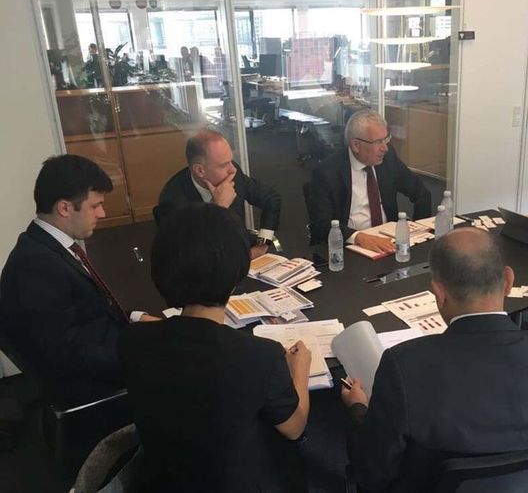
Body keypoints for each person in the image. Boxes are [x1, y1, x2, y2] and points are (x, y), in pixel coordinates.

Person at [341, 228, 528, 492]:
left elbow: (373, 473)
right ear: (508, 281)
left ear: (438, 293)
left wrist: (359, 410)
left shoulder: (404, 367)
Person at [118, 203, 312, 492]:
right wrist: (300, 370)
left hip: (159, 480)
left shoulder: (132, 340)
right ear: (236, 274)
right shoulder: (259, 355)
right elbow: (295, 427)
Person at [0, 155, 155, 402]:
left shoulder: (48, 246)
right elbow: (65, 355)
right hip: (90, 386)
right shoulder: (37, 265)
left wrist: (136, 318)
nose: (102, 213)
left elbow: (89, 312)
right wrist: (138, 355)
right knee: (190, 364)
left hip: (104, 346)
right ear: (65, 208)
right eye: (95, 206)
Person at [310, 109, 431, 252]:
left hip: (388, 241)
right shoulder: (327, 172)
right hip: (351, 246)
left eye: (386, 139)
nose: (385, 148)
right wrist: (358, 237)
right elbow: (322, 225)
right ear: (356, 145)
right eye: (378, 142)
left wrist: (419, 232)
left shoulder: (387, 158)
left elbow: (421, 193)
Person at [157, 129, 281, 259]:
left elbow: (271, 199)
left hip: (241, 253)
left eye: (231, 161)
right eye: (223, 165)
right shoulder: (172, 200)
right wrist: (218, 208)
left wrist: (263, 244)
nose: (233, 169)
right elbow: (189, 254)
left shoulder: (232, 174)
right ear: (200, 170)